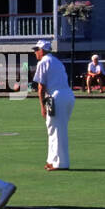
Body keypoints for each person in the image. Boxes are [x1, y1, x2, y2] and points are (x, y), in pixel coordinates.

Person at [32, 40, 75, 170]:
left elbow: (41, 87)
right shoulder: (57, 61)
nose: (35, 52)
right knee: (54, 129)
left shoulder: (43, 62)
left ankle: (60, 163)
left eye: (36, 49)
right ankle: (52, 160)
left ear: (42, 50)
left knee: (57, 130)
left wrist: (42, 106)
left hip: (57, 97)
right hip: (67, 95)